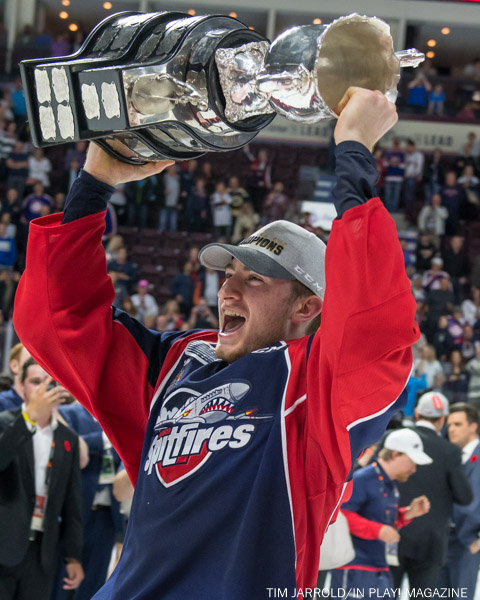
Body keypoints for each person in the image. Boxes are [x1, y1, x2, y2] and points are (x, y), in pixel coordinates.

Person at [14, 87, 419, 598]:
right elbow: (58, 319)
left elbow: (373, 326)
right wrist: (94, 182)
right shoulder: (176, 364)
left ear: (306, 307)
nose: (226, 290)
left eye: (255, 279)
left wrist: (354, 147)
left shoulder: (315, 388)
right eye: (228, 273)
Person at [0, 359, 84, 599]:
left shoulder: (68, 438)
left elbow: (72, 501)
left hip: (43, 553)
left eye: (50, 383)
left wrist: (73, 556)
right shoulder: (5, 422)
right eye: (36, 382)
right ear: (22, 386)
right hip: (4, 546)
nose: (43, 389)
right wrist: (29, 419)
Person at [331, 428, 431, 599]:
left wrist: (407, 514)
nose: (414, 469)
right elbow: (341, 516)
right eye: (412, 461)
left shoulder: (390, 483)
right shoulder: (362, 478)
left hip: (379, 567)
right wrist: (378, 530)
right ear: (395, 454)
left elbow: (380, 518)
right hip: (356, 568)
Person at [391, 392, 473, 595]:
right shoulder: (450, 451)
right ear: (443, 419)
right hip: (430, 544)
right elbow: (465, 497)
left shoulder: (393, 439)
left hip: (392, 536)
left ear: (416, 413)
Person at [440, 403, 480, 599]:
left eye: (457, 424)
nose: (451, 430)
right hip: (442, 539)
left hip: (468, 541)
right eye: (449, 425)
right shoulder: (449, 456)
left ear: (473, 426)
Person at [0, 342, 30, 411]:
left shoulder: (52, 406)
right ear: (14, 366)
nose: (39, 367)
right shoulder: (2, 403)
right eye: (32, 361)